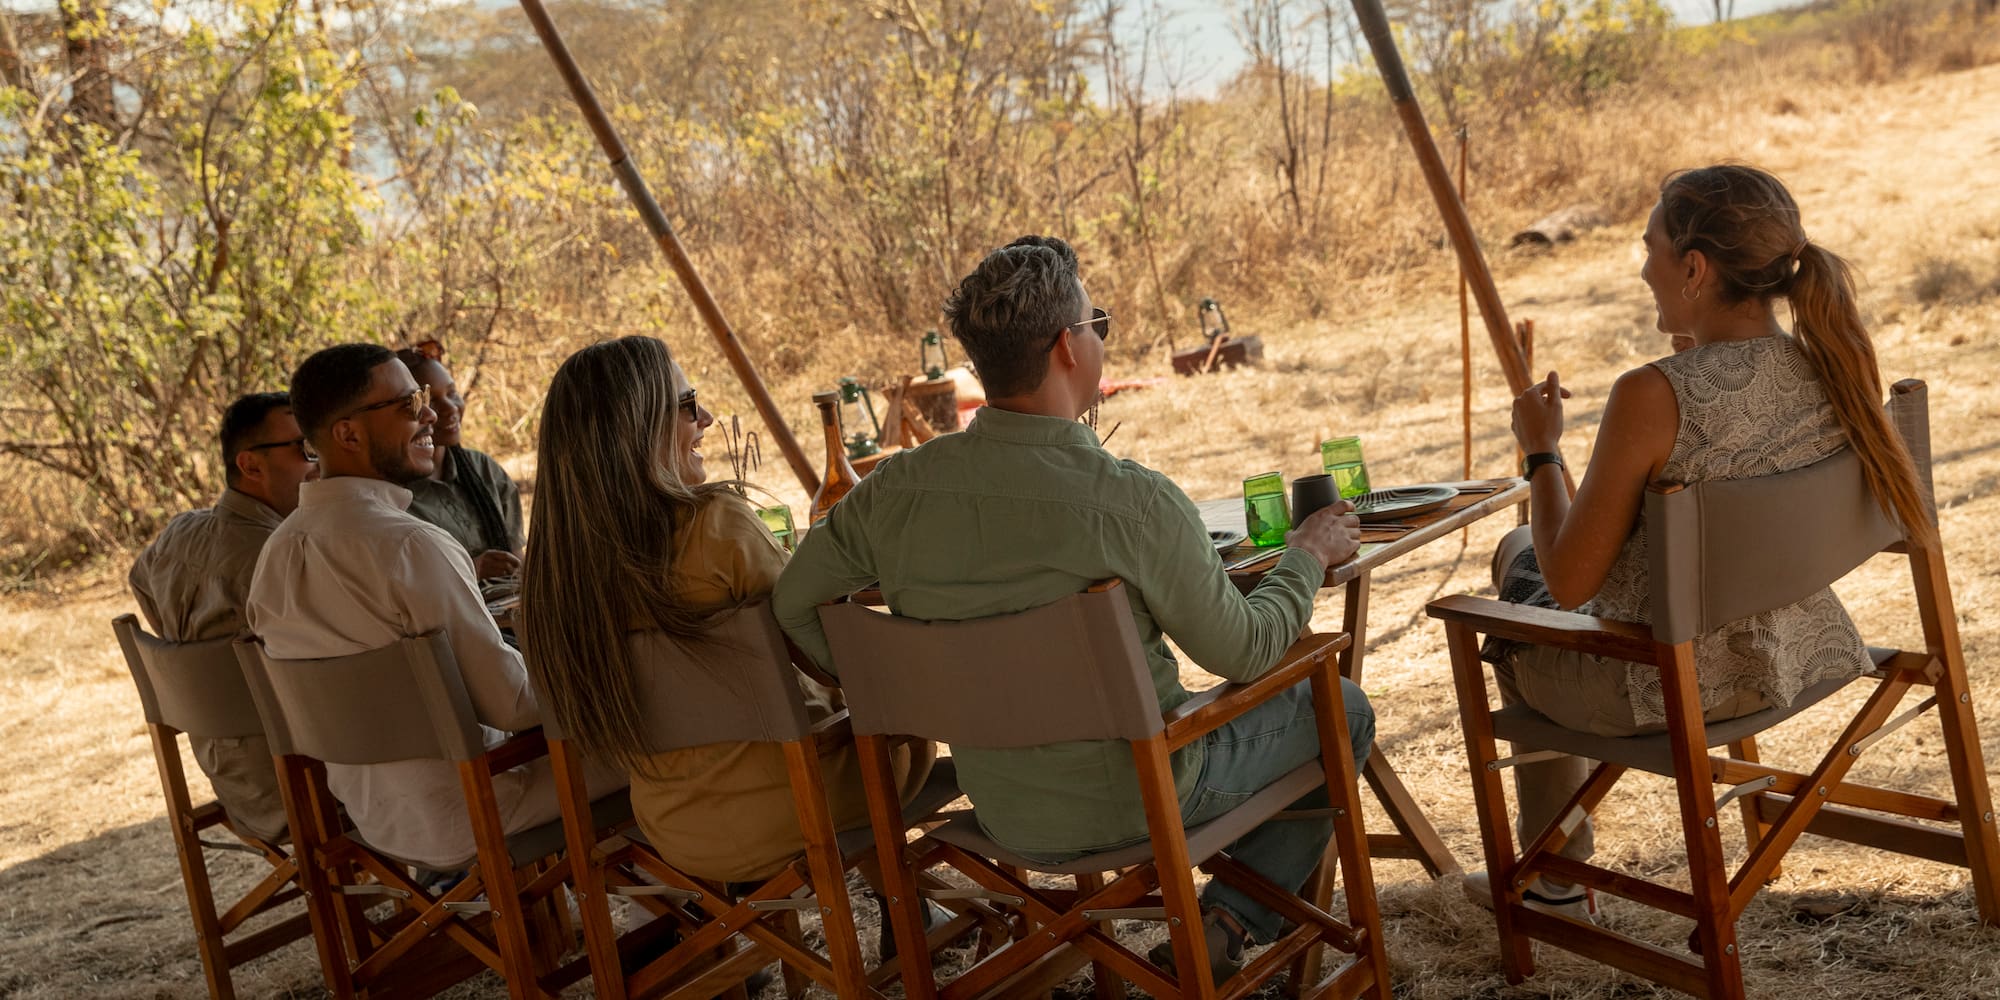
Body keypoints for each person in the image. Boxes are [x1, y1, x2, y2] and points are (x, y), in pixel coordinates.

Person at [772, 235, 1375, 982]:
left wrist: (886, 690)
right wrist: (1306, 557)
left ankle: (1220, 928)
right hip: (1146, 800)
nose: (1099, 339)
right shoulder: (1132, 500)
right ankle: (1229, 922)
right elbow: (1246, 653)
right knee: (1340, 707)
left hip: (1001, 806)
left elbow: (793, 601)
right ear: (1068, 346)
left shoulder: (892, 493)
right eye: (1098, 324)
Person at [1472, 164, 1932, 919]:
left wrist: (1541, 451)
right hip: (1798, 650)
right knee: (1520, 556)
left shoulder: (1652, 394)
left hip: (1666, 688)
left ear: (1693, 268)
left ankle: (1554, 881)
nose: (1639, 265)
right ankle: (1556, 873)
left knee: (1519, 560)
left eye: (1648, 247)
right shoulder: (1831, 357)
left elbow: (1573, 582)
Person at [518, 335, 934, 885]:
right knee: (899, 717)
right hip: (805, 802)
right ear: (638, 427)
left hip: (677, 829)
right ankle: (904, 902)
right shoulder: (716, 526)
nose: (707, 418)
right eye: (688, 404)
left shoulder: (551, 582)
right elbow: (831, 658)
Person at [246, 343, 620, 870]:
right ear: (348, 434)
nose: (429, 414)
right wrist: (612, 661)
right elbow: (512, 704)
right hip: (480, 805)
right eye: (407, 405)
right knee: (658, 727)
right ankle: (669, 923)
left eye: (422, 397)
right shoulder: (407, 545)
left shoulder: (276, 554)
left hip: (378, 816)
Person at [128, 391, 320, 842]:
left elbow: (139, 581)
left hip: (235, 778)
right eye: (303, 448)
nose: (318, 460)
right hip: (308, 785)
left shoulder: (178, 532)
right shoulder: (283, 557)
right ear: (251, 465)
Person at [394, 342, 523, 581]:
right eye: (430, 400)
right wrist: (470, 569)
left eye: (452, 393)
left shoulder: (482, 469)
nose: (450, 408)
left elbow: (516, 560)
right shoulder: (392, 495)